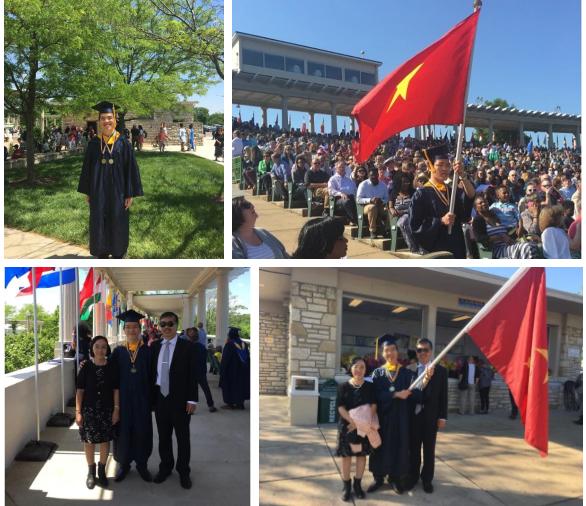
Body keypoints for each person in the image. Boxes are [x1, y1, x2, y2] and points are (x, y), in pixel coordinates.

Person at [78, 101, 143, 259]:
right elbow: (87, 169)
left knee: (118, 219)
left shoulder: (124, 143)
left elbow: (130, 170)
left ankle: (118, 252)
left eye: (109, 117)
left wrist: (129, 194)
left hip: (118, 191)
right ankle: (101, 252)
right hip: (98, 191)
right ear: (99, 121)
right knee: (99, 219)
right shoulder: (94, 144)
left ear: (115, 119)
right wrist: (88, 191)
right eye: (103, 118)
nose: (106, 121)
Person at [368, 336, 429, 495]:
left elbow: (418, 396)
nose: (390, 353)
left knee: (398, 447)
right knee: (379, 447)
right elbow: (375, 395)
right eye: (386, 350)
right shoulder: (378, 373)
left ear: (397, 351)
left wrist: (424, 383)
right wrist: (395, 394)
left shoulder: (407, 373)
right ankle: (378, 478)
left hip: (401, 419)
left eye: (393, 349)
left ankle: (394, 478)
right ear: (382, 353)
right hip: (382, 418)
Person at [151, 311, 198, 489]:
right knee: (164, 437)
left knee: (182, 438)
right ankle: (166, 467)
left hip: (180, 400)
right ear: (159, 327)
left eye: (170, 323)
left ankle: (184, 471)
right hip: (160, 399)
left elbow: (194, 375)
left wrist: (192, 400)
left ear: (176, 325)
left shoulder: (188, 347)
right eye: (163, 324)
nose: (167, 327)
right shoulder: (155, 346)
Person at [110, 310, 153, 483]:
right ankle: (124, 465)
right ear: (124, 330)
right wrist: (88, 364)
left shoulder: (149, 352)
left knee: (142, 432)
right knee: (123, 432)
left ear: (139, 328)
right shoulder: (118, 352)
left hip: (143, 400)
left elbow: (155, 377)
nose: (131, 330)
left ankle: (142, 465)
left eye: (135, 327)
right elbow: (107, 372)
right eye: (128, 327)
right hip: (124, 401)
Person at [409, 145, 474, 258]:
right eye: (440, 165)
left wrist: (462, 175)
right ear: (430, 167)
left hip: (456, 244)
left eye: (447, 165)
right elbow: (415, 226)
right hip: (436, 247)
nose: (445, 168)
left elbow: (470, 197)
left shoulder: (451, 191)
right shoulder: (421, 194)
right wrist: (440, 221)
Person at [76, 336, 120, 489]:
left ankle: (102, 471)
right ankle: (91, 472)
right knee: (88, 442)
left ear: (107, 349)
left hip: (107, 410)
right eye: (97, 346)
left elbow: (116, 390)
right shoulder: (86, 366)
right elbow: (80, 391)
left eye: (103, 347)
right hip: (89, 410)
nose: (100, 350)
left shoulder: (112, 366)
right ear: (92, 349)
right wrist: (78, 411)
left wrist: (116, 410)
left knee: (104, 440)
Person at [408, 338, 447, 494]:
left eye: (425, 350)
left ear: (431, 352)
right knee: (414, 449)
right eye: (419, 350)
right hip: (414, 417)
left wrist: (443, 417)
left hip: (431, 417)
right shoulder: (409, 370)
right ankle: (413, 476)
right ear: (416, 353)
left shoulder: (441, 371)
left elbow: (443, 395)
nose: (423, 353)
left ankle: (427, 480)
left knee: (429, 451)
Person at [336, 357, 377, 502]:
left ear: (365, 370)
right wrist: (352, 421)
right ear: (351, 368)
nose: (359, 370)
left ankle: (357, 485)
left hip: (363, 428)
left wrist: (364, 421)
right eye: (356, 366)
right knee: (346, 457)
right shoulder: (343, 387)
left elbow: (373, 405)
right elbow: (340, 406)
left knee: (361, 456)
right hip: (347, 427)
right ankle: (346, 487)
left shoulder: (370, 387)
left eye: (362, 367)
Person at [185, 328, 217, 413]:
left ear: (188, 337)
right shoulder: (202, 347)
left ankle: (190, 409)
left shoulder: (186, 347)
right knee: (206, 389)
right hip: (200, 371)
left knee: (190, 390)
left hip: (190, 372)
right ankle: (211, 405)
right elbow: (204, 361)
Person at [219, 327, 250, 410]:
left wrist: (222, 370)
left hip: (231, 371)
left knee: (230, 385)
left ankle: (230, 404)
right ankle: (240, 404)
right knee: (240, 386)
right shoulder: (244, 344)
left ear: (230, 335)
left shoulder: (229, 344)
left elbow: (225, 359)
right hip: (243, 370)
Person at [357, 167, 389, 239]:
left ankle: (387, 229)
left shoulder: (383, 185)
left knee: (389, 210)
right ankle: (372, 231)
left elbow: (387, 198)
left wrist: (382, 201)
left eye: (375, 176)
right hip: (366, 206)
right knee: (372, 207)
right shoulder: (363, 184)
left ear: (378, 175)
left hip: (380, 205)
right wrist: (370, 200)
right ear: (369, 176)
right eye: (372, 176)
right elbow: (358, 199)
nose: (374, 177)